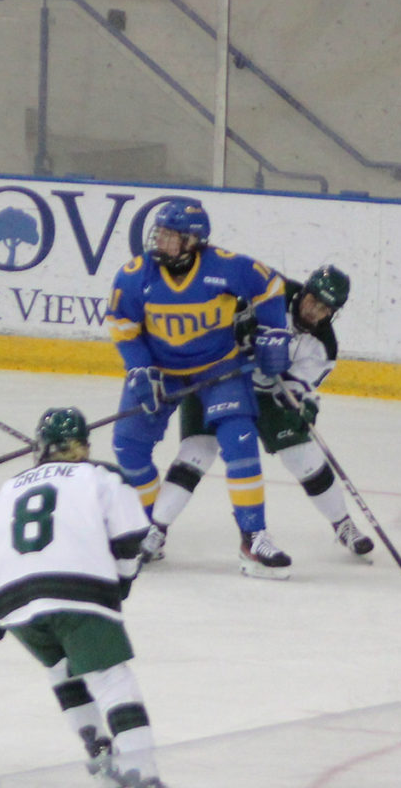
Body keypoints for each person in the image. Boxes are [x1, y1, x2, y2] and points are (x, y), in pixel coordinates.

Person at [0, 409, 200, 788]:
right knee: (112, 680)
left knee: (63, 670)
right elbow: (132, 539)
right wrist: (122, 581)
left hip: (12, 598)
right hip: (75, 590)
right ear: (84, 446)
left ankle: (109, 776)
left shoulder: (8, 488)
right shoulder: (103, 476)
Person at [103, 200, 295, 578]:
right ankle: (147, 528)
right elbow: (121, 322)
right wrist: (139, 368)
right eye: (158, 233)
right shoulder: (133, 275)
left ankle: (253, 536)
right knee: (128, 446)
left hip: (219, 368)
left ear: (193, 241)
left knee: (240, 438)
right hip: (160, 370)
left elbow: (271, 285)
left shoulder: (225, 266)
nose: (159, 241)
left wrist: (273, 332)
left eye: (169, 236)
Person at [151, 264, 371, 564]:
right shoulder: (270, 292)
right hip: (220, 376)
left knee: (303, 456)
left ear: (332, 313)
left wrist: (301, 404)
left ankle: (343, 523)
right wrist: (235, 331)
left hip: (267, 394)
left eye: (324, 308)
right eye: (312, 300)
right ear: (304, 291)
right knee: (197, 451)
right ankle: (155, 530)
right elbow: (214, 311)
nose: (314, 310)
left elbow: (296, 388)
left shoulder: (323, 346)